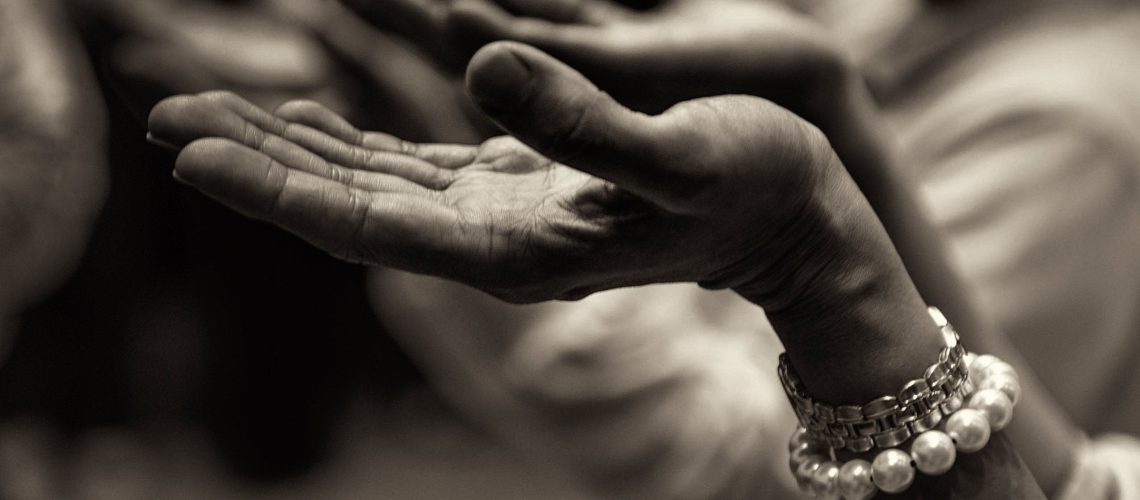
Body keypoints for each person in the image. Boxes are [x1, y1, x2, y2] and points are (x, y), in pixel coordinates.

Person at [146, 35, 1046, 498]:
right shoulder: (920, 42)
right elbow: (1080, 477)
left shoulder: (1066, 130)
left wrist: (818, 267)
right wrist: (834, 129)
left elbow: (742, 470)